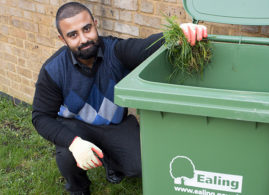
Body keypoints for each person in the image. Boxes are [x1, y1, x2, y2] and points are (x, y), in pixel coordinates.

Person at [31, 2, 207, 195]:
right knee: (67, 154)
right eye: (73, 35)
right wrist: (74, 143)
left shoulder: (115, 51)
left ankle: (111, 161)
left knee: (140, 165)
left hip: (115, 125)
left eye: (87, 29)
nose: (83, 39)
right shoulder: (53, 70)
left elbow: (144, 47)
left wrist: (177, 33)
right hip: (77, 128)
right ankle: (78, 188)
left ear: (95, 24)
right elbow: (40, 117)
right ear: (62, 39)